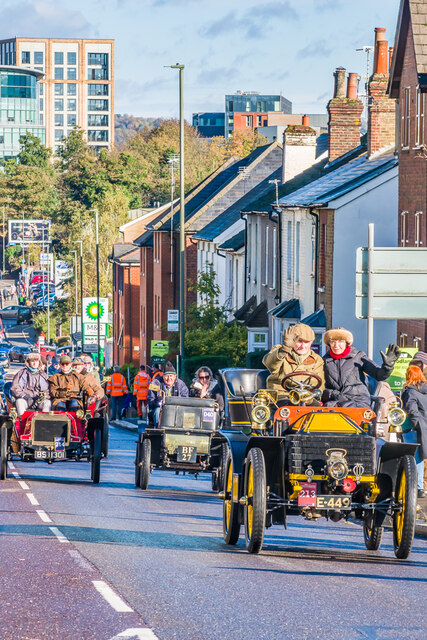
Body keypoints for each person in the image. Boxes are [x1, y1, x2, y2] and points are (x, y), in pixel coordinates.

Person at [322, 327, 400, 408]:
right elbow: (320, 387)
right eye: (333, 342)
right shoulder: (324, 361)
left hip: (357, 401)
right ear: (329, 343)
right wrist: (332, 394)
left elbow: (379, 375)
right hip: (334, 402)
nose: (336, 345)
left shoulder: (358, 357)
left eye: (340, 341)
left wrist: (387, 366)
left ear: (346, 343)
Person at [262, 323, 325, 399]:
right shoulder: (280, 351)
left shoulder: (317, 359)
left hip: (305, 397)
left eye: (307, 342)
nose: (303, 346)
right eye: (299, 341)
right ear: (292, 340)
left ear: (311, 343)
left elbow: (318, 385)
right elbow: (270, 365)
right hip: (280, 395)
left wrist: (312, 396)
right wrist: (285, 349)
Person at [401, 365, 427, 499]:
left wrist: (415, 425)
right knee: (420, 457)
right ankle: (420, 487)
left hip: (412, 429)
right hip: (424, 428)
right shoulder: (425, 390)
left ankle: (415, 487)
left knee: (413, 457)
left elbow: (412, 411)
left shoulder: (410, 392)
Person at [147, 362, 188, 427]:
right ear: (163, 376)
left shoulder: (181, 384)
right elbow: (150, 400)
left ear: (175, 376)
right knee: (157, 411)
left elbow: (185, 399)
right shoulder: (155, 383)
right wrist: (156, 401)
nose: (169, 378)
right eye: (166, 376)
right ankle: (159, 429)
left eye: (171, 376)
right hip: (160, 409)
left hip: (176, 409)